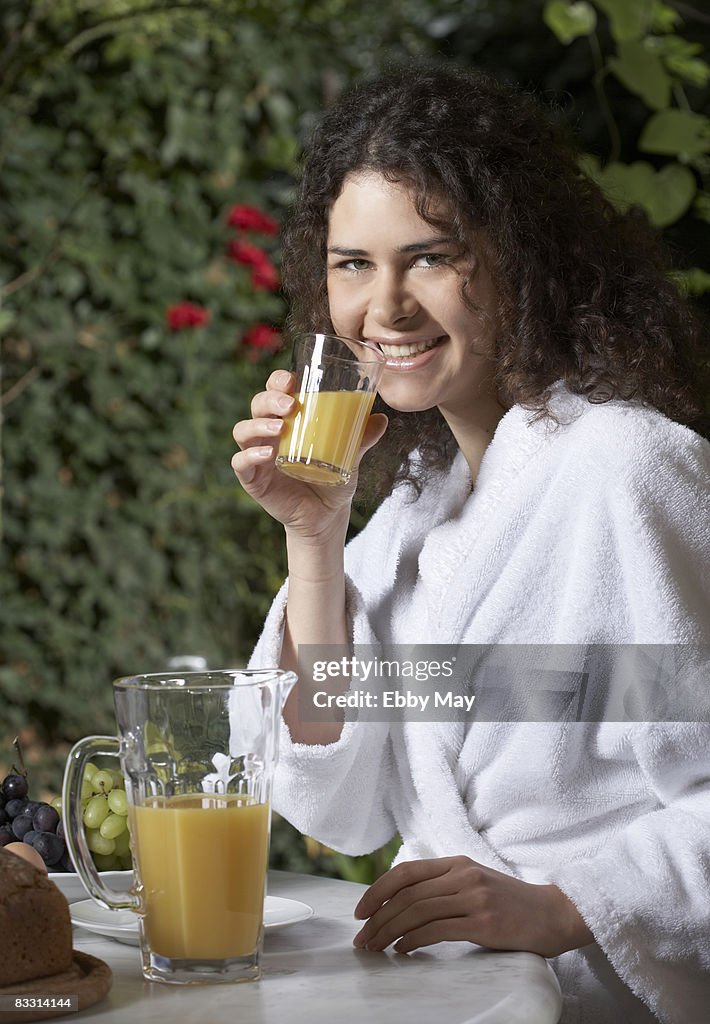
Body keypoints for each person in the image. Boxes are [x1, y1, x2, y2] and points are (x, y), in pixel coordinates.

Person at [231, 64, 710, 1024]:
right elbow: (336, 807)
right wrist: (315, 541)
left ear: (518, 254)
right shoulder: (418, 508)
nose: (387, 308)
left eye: (432, 256)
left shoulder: (622, 468)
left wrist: (569, 905)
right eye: (353, 264)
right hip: (449, 988)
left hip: (601, 998)